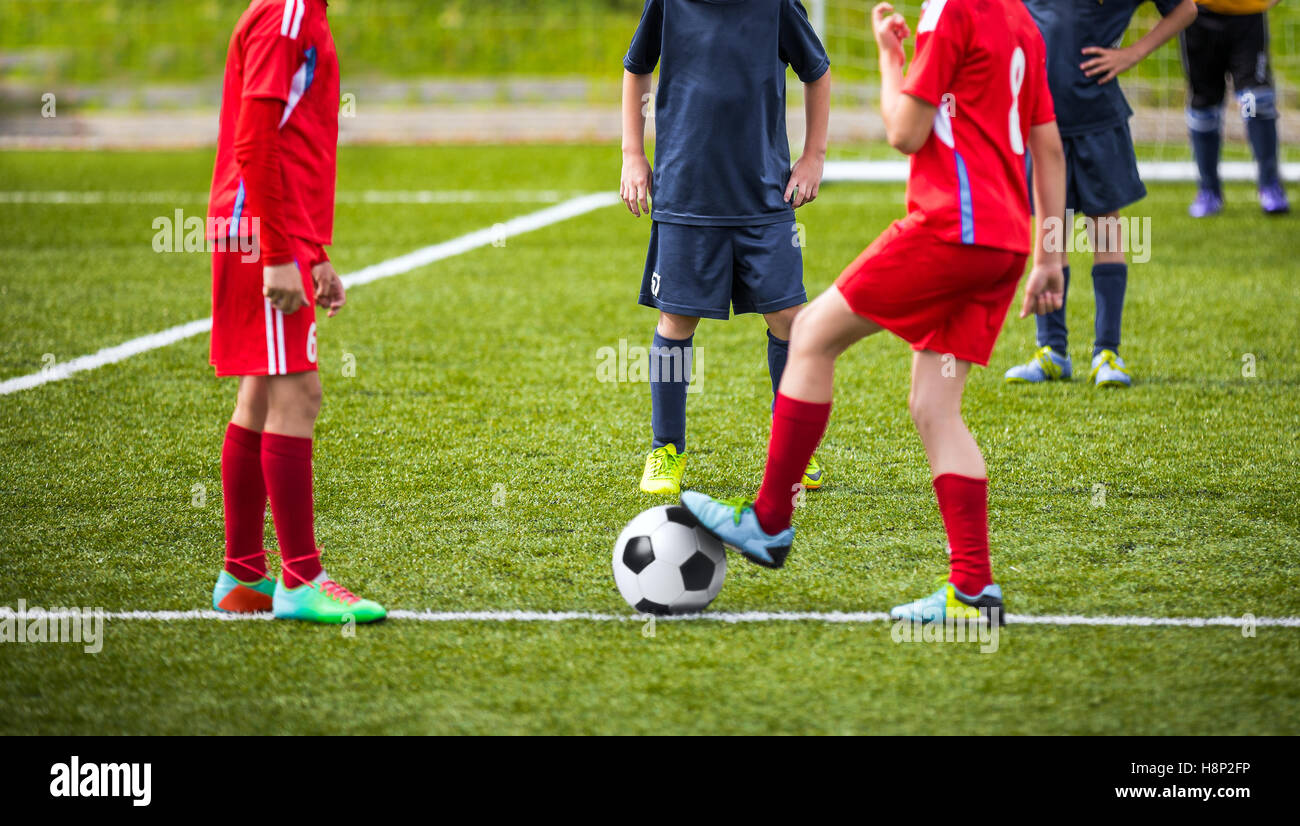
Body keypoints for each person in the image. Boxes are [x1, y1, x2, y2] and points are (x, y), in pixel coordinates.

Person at [680, 0, 1067, 625]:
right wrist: (1051, 256)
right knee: (935, 406)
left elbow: (904, 131)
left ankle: (769, 521)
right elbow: (1048, 145)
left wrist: (892, 61)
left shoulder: (949, 11)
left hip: (952, 229)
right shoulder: (1023, 21)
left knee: (809, 335)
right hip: (1007, 243)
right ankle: (972, 589)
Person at [207, 0, 384, 623]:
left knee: (259, 393)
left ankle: (242, 575)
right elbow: (253, 136)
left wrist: (312, 254)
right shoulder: (288, 12)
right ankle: (300, 580)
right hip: (262, 236)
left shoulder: (301, 10)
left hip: (271, 232)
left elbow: (289, 143)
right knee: (299, 396)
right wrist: (281, 255)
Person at [620, 0, 832, 496]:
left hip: (763, 199)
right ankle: (665, 449)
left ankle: (793, 448)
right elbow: (636, 69)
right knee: (675, 321)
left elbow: (817, 73)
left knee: (789, 320)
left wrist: (813, 157)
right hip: (685, 197)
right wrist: (633, 154)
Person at [1004, 0, 1197, 388]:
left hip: (1099, 119)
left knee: (1106, 232)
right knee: (1050, 231)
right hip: (1041, 121)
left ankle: (1107, 351)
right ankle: (1052, 351)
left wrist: (1132, 53)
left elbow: (1187, 8)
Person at [1184, 0, 1290, 217]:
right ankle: (1208, 190)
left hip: (1247, 17)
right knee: (1205, 106)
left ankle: (1269, 185)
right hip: (1198, 17)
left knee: (1254, 102)